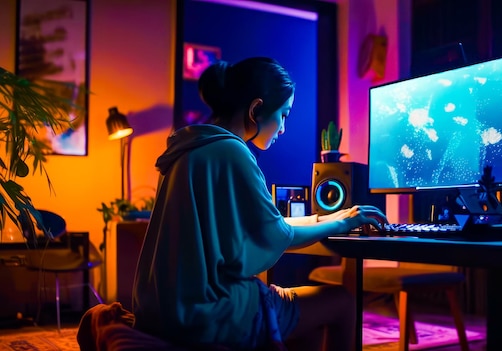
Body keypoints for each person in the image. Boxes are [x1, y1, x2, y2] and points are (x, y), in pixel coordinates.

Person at [132, 57, 388, 351]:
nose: (283, 128)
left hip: (165, 308)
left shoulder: (191, 150)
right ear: (256, 110)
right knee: (342, 302)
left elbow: (264, 226)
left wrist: (324, 219)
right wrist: (343, 223)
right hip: (205, 310)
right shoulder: (231, 152)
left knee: (304, 309)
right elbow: (275, 236)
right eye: (283, 115)